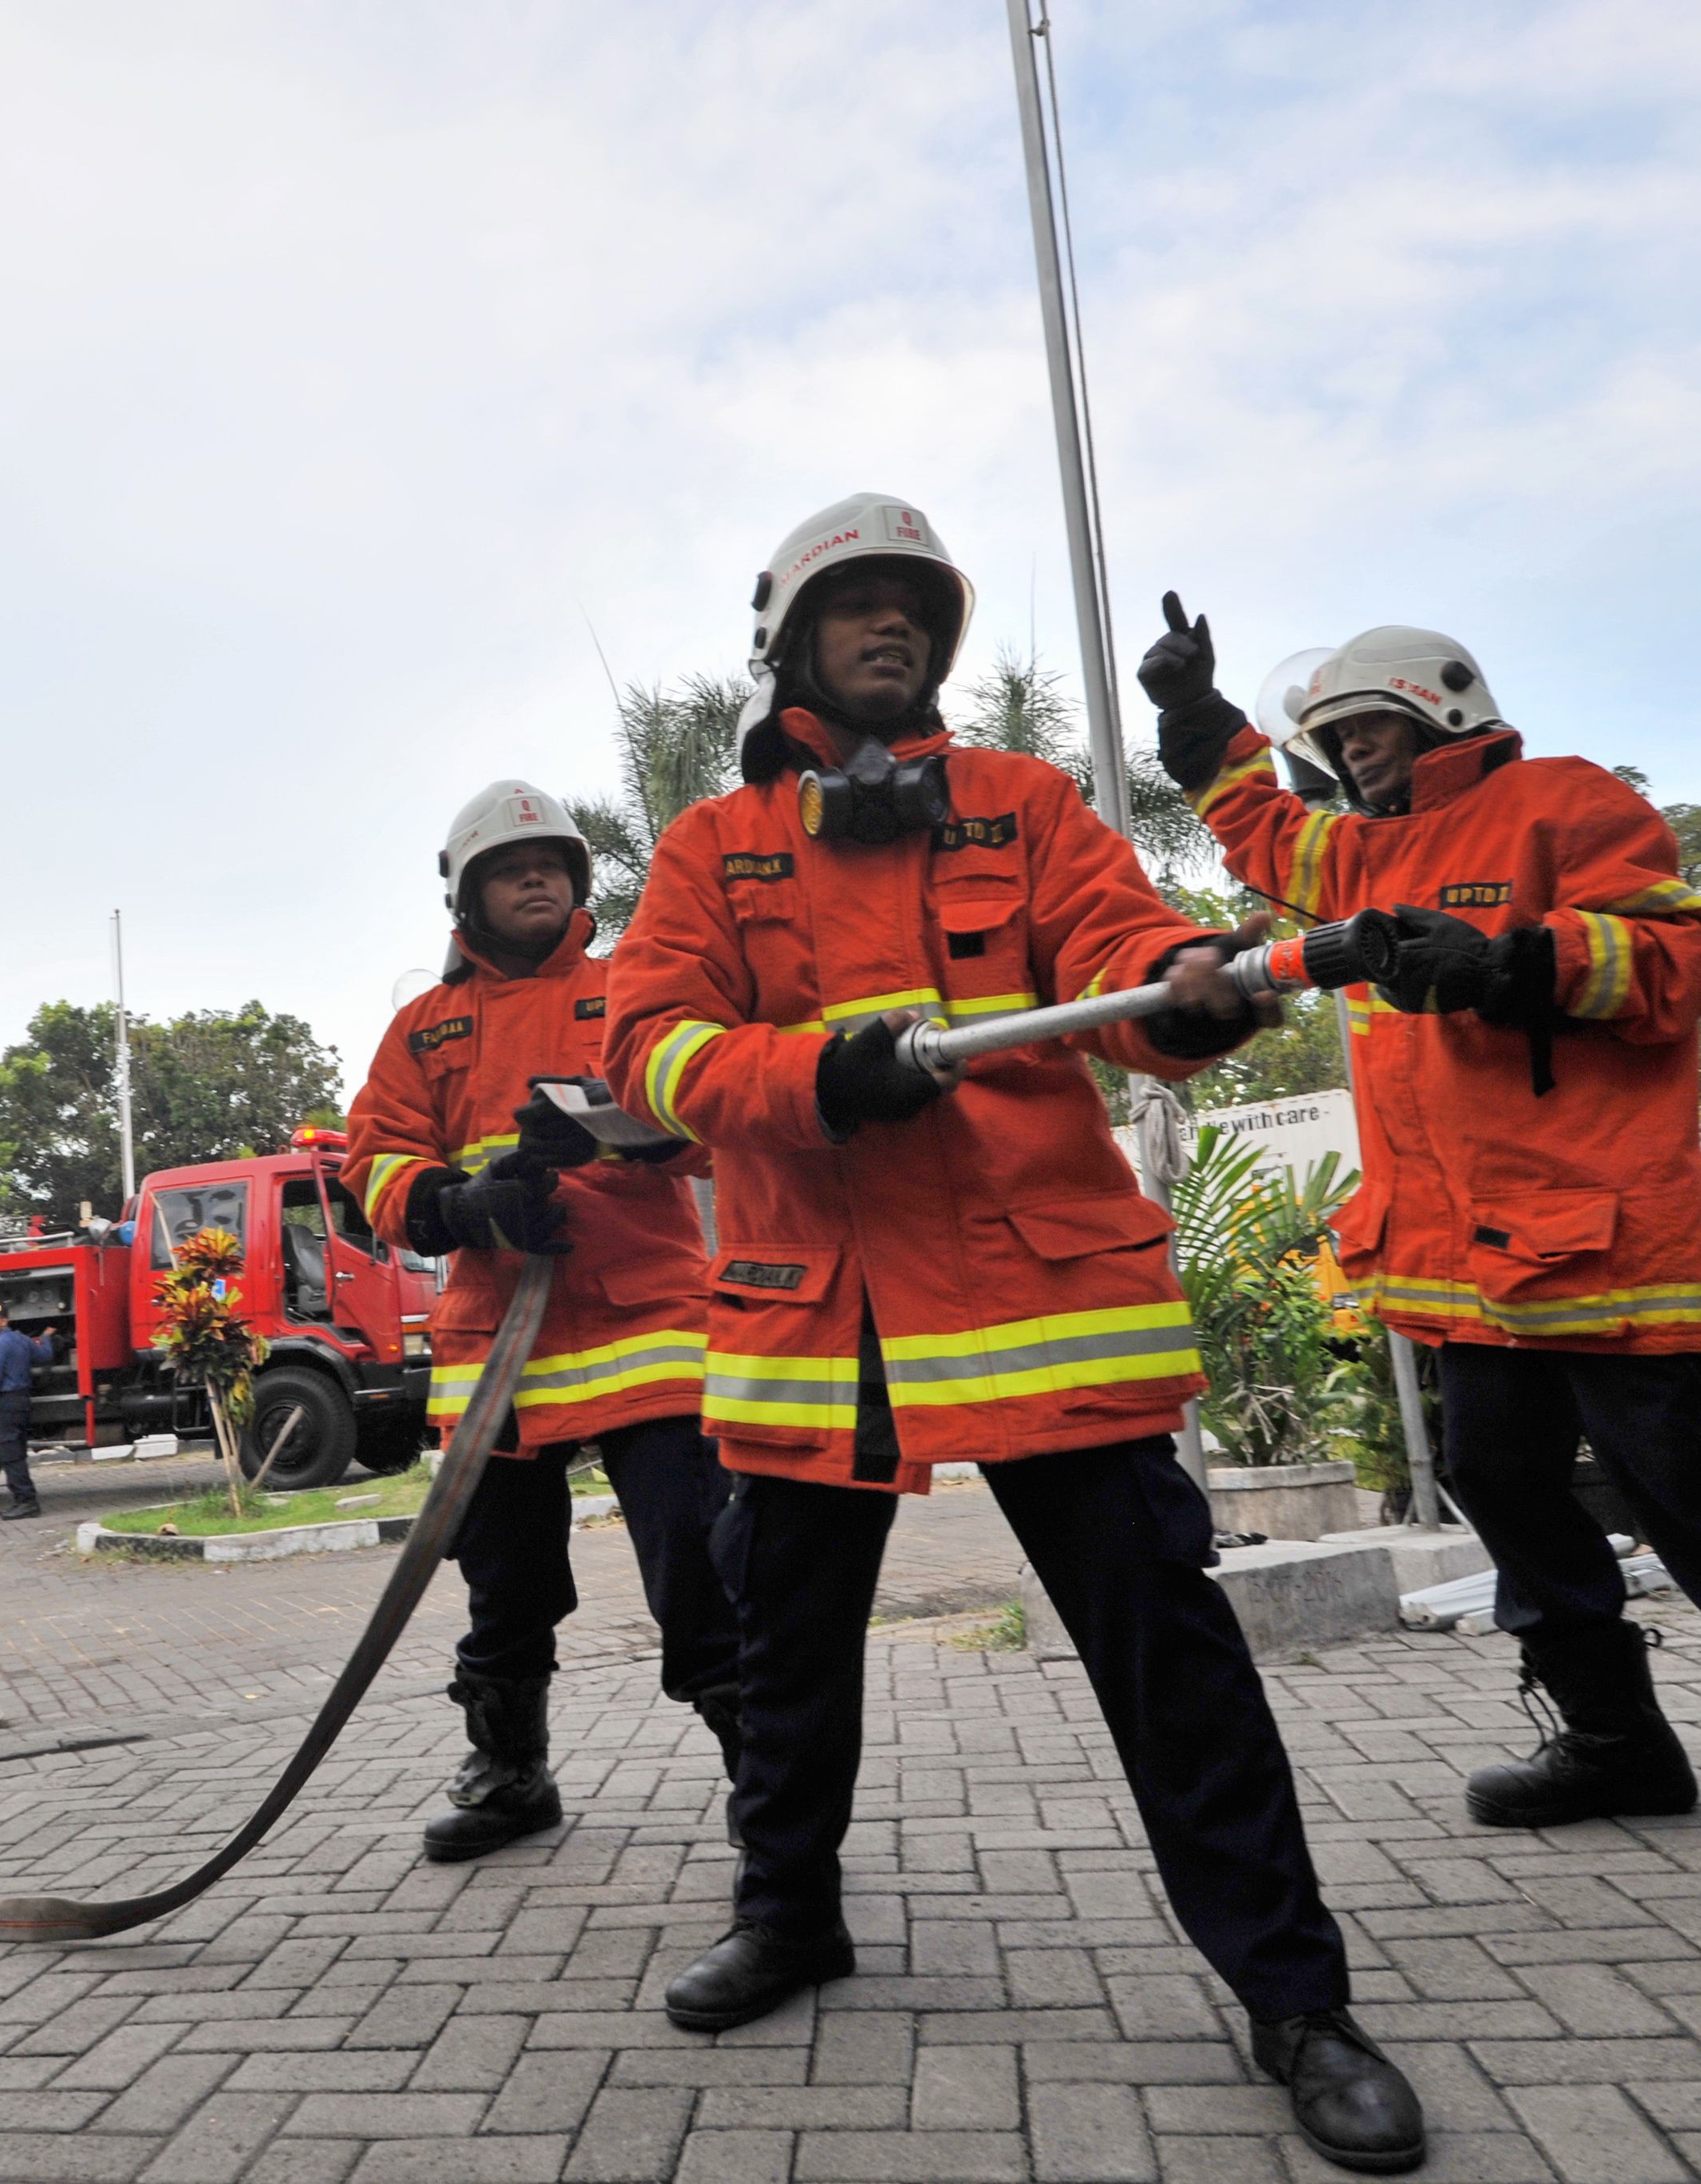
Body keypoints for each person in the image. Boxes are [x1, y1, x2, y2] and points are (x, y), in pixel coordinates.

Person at [602, 496, 1424, 2175]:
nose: (891, 629)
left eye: (915, 609)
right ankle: (790, 1912)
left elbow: (1120, 944)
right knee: (785, 1659)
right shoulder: (714, 844)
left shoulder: (1026, 804)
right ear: (795, 643)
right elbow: (649, 1049)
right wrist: (812, 1071)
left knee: (1172, 1662)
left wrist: (1191, 975)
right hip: (816, 1321)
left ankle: (1296, 1997)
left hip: (1041, 1305)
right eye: (859, 609)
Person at [1147, 600, 1701, 1905]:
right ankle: (1616, 1739)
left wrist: (1508, 961)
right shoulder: (1358, 854)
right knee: (1504, 1488)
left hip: (1595, 1250)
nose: (1353, 756)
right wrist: (1195, 720)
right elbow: (1263, 832)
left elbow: (1681, 958)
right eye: (1338, 740)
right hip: (1461, 1271)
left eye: (1371, 730)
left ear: (1442, 713)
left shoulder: (1563, 805)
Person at [343, 782, 741, 1863]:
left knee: (700, 1562)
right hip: (491, 1332)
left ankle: (771, 1793)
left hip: (646, 1320)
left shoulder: (628, 990)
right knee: (502, 1576)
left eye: (554, 865)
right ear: (467, 892)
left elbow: (705, 1117)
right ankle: (511, 1772)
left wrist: (610, 1137)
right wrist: (454, 1205)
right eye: (512, 867)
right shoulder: (421, 1028)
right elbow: (373, 1157)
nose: (538, 879)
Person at [0, 1308, 52, 1518]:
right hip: (22, 1401)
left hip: (7, 1403)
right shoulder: (22, 1339)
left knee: (11, 1456)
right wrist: (46, 1337)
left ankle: (26, 1502)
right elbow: (45, 1356)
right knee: (18, 1452)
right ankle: (25, 1500)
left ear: (4, 1321)